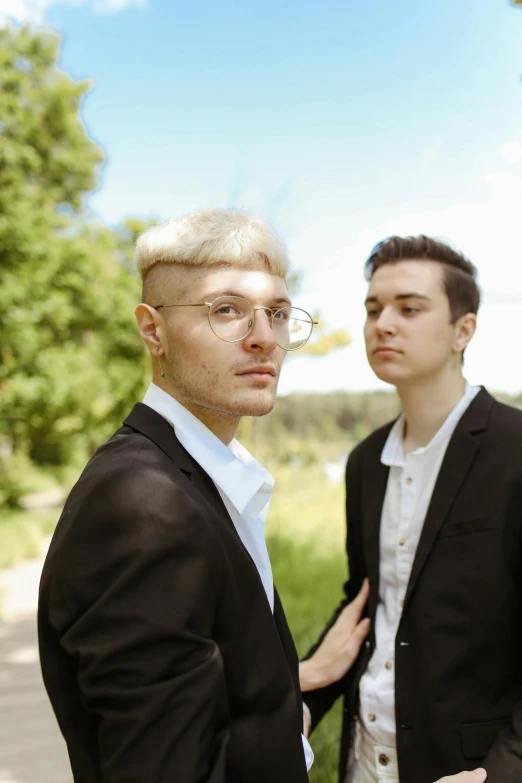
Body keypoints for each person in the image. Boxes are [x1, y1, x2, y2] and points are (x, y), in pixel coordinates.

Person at [38, 208, 372, 783]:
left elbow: (225, 724)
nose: (264, 336)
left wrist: (297, 679)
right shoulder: (142, 505)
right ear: (153, 330)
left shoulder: (199, 476)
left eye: (277, 313)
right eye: (226, 311)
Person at [302, 234, 522, 783]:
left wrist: (502, 772)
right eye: (373, 309)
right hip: (362, 760)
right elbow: (368, 605)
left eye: (410, 308)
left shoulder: (515, 451)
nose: (383, 324)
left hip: (466, 769)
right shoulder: (363, 462)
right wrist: (304, 704)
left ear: (462, 330)